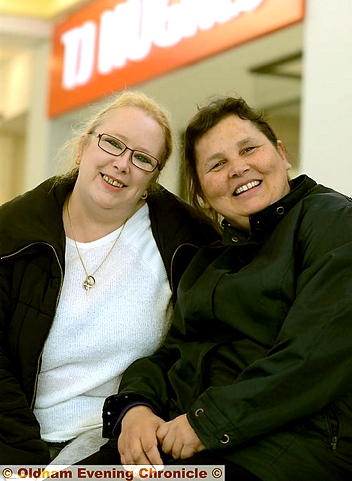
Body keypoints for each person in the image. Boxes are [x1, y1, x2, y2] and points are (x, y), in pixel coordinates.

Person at [91, 96, 351, 480]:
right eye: (217, 164)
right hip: (193, 443)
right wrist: (134, 408)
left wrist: (205, 423)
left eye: (249, 149)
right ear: (200, 193)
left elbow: (313, 356)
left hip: (290, 447)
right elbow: (172, 353)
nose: (238, 168)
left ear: (281, 154)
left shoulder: (333, 222)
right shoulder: (208, 262)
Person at [0, 90, 219, 466]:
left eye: (142, 158)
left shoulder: (187, 243)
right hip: (14, 437)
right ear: (84, 146)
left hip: (118, 442)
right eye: (113, 143)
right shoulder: (11, 233)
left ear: (153, 178)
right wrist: (24, 465)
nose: (122, 164)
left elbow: (199, 349)